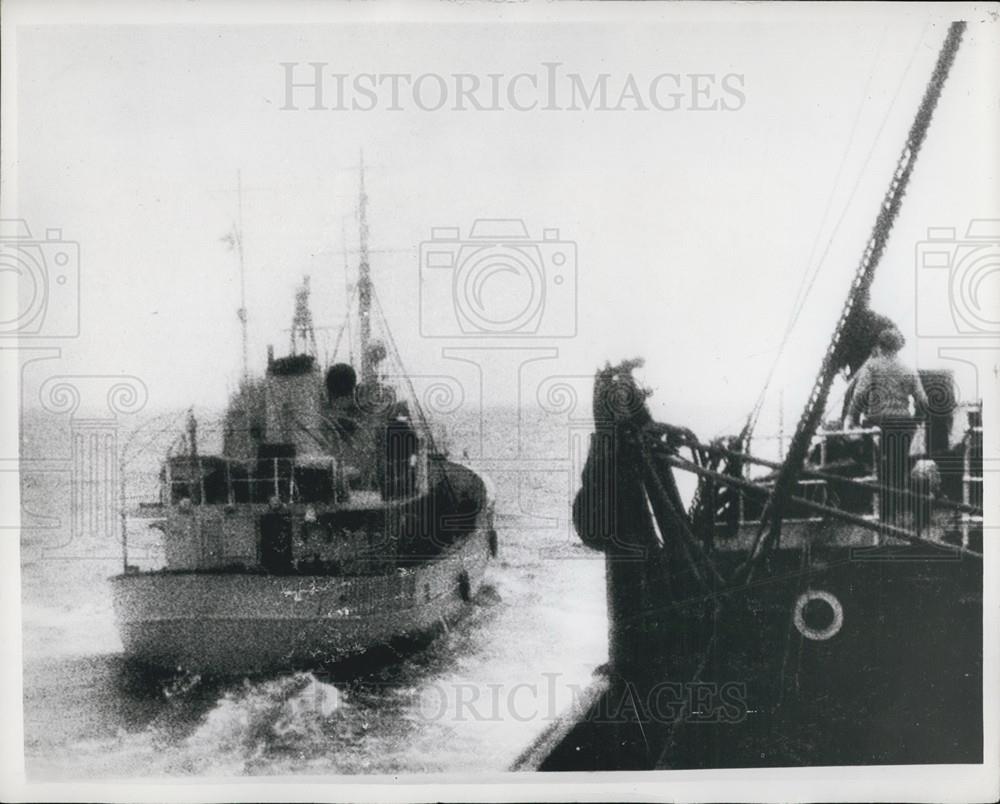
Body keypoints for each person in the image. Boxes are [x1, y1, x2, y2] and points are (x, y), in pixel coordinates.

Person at [844, 327, 929, 529]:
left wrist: (851, 417)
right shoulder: (908, 369)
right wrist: (917, 419)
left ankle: (884, 514)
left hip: (877, 426)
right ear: (898, 347)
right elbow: (923, 401)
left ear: (880, 346)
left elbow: (860, 395)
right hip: (903, 426)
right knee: (900, 468)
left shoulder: (872, 367)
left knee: (878, 468)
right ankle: (910, 512)